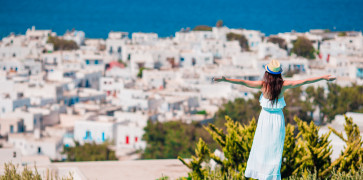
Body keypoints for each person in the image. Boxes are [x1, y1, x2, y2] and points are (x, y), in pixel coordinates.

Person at [213, 59, 336, 180]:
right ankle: (271, 176)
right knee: (275, 149)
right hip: (277, 119)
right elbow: (304, 81)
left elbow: (243, 82)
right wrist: (323, 77)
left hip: (265, 118)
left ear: (267, 73)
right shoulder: (283, 85)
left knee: (261, 147)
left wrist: (226, 79)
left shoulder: (263, 85)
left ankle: (261, 175)